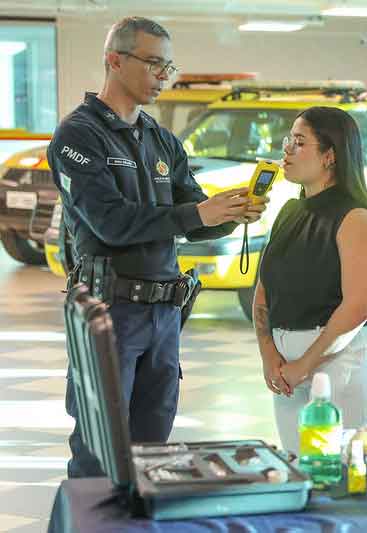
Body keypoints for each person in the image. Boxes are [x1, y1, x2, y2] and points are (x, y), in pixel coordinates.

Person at [48, 16, 265, 478]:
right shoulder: (78, 135)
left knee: (153, 449)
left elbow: (193, 219)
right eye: (153, 65)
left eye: (168, 67)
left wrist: (228, 215)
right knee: (98, 448)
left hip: (165, 314)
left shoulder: (163, 140)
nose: (163, 77)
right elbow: (110, 223)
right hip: (110, 311)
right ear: (114, 60)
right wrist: (197, 215)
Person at [252, 106, 367, 453]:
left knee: (343, 469)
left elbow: (357, 306)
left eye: (299, 142)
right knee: (298, 467)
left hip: (341, 364)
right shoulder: (289, 212)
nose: (287, 150)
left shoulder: (356, 218)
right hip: (287, 368)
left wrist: (305, 365)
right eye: (288, 140)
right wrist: (270, 355)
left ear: (330, 155)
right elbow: (263, 293)